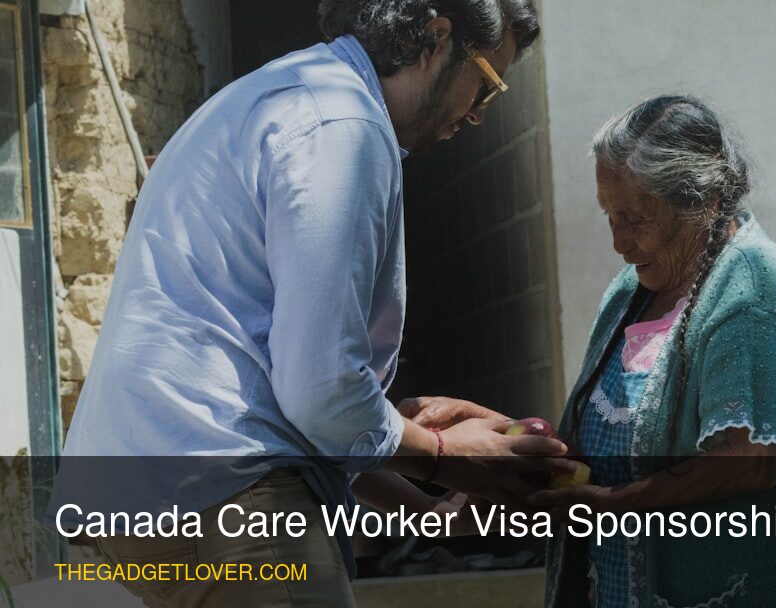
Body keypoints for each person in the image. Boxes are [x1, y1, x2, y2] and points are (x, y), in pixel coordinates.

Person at [50, 1, 570, 606]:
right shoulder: (342, 128)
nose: (479, 112)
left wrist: (427, 506)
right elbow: (320, 392)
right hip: (225, 493)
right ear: (435, 37)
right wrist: (450, 458)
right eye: (486, 81)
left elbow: (299, 399)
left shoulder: (277, 95)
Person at [412, 96, 776, 606]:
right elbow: (607, 457)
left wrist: (619, 505)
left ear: (700, 203)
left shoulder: (755, 286)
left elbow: (750, 459)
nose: (620, 241)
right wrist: (500, 434)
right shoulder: (628, 294)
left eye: (636, 219)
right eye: (610, 216)